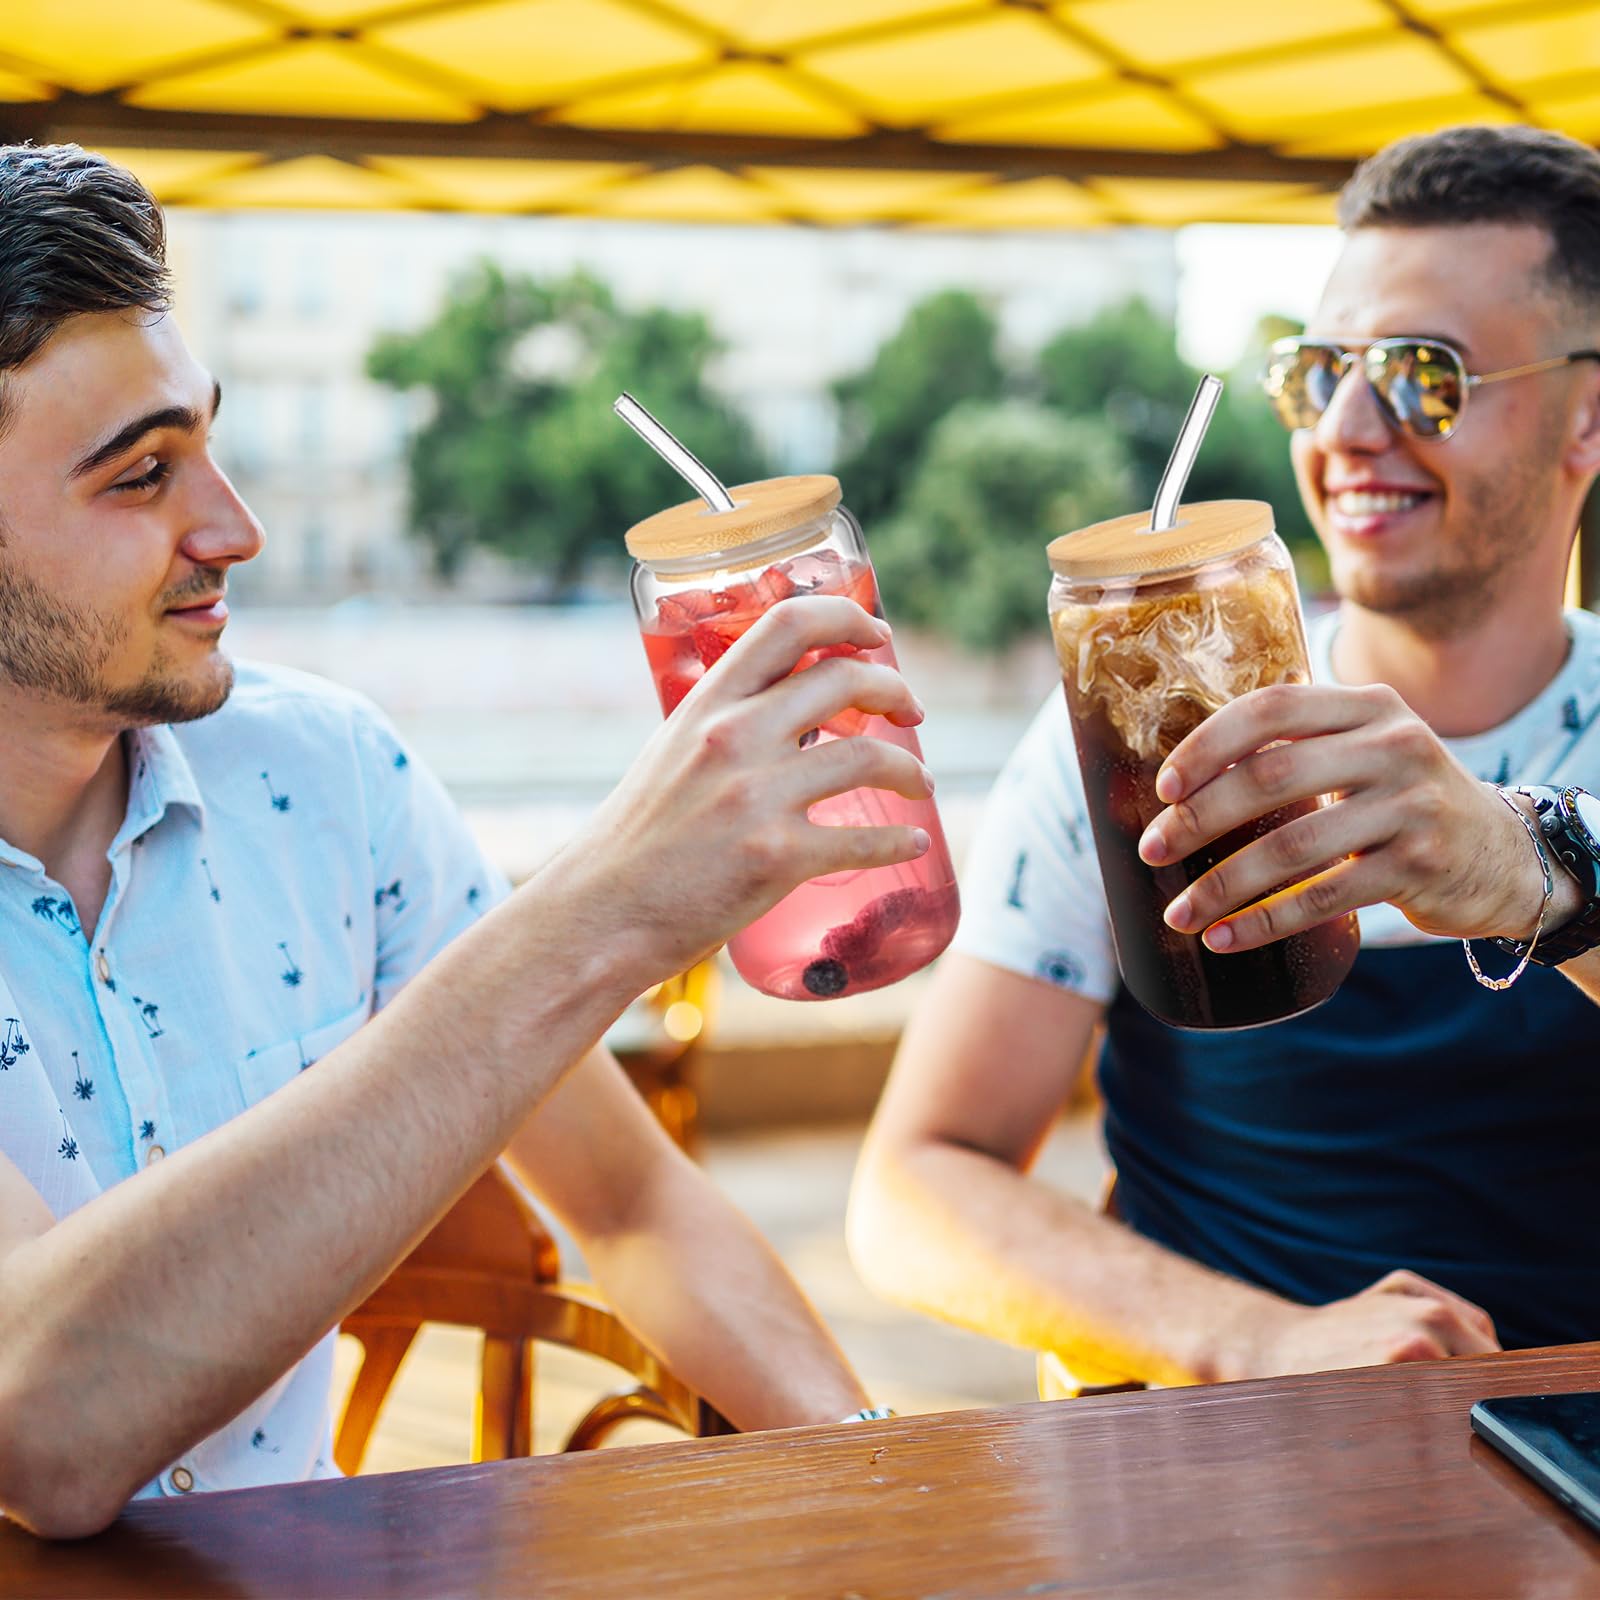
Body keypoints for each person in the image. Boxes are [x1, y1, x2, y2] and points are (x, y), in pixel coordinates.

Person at [0, 144, 932, 1539]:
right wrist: (601, 909)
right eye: (142, 477)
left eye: (209, 439)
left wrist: (895, 1487)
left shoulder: (325, 777)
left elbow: (629, 1209)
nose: (236, 526)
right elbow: (40, 1428)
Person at [850, 124, 1600, 1393]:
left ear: (1587, 418)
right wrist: (1258, 1342)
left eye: (1422, 376)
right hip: (1219, 1462)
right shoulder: (1135, 729)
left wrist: (1539, 876)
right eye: (1320, 374)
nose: (1351, 428)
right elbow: (917, 1180)